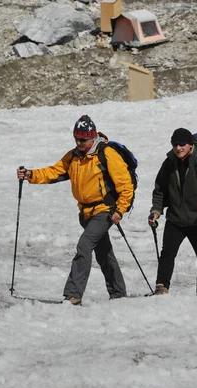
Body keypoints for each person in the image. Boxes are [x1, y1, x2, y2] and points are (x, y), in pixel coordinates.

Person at [16, 115, 133, 305]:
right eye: (76, 139)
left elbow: (125, 185)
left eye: (83, 139)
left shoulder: (107, 154)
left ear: (92, 136)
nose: (79, 143)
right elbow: (54, 172)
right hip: (85, 213)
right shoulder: (73, 156)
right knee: (104, 253)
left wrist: (120, 210)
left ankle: (73, 295)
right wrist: (30, 174)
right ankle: (118, 294)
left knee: (84, 245)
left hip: (105, 211)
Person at [148, 128, 197, 295]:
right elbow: (160, 190)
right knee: (167, 254)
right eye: (175, 144)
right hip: (175, 218)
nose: (178, 148)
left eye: (182, 144)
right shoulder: (169, 163)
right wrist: (156, 211)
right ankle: (162, 286)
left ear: (190, 144)